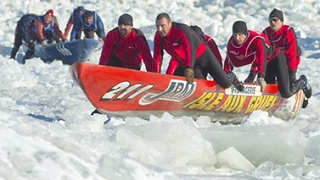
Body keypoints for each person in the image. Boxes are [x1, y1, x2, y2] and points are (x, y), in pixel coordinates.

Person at [224, 21, 311, 102]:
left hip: (276, 58)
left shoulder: (256, 40)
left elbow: (262, 58)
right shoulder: (232, 42)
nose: (237, 38)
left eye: (240, 35)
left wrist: (261, 77)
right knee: (269, 91)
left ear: (245, 34)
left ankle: (303, 82)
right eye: (235, 35)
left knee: (286, 92)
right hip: (266, 64)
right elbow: (229, 61)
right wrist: (225, 77)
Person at [153, 12, 242, 90]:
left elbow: (190, 49)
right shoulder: (158, 36)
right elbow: (157, 57)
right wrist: (155, 77)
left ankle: (231, 76)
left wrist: (189, 68)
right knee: (200, 84)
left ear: (170, 24)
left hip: (203, 57)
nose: (160, 29)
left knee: (225, 83)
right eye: (157, 26)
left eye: (162, 26)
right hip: (189, 63)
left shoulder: (181, 30)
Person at [92, 13, 154, 115]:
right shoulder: (113, 35)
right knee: (109, 84)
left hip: (133, 65)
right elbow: (105, 55)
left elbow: (147, 57)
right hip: (117, 62)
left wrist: (152, 76)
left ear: (131, 26)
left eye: (125, 25)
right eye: (120, 25)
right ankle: (102, 106)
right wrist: (100, 71)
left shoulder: (138, 37)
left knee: (128, 88)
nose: (122, 27)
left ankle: (128, 107)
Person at [262, 8, 312, 106]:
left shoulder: (288, 32)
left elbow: (292, 54)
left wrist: (292, 73)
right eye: (270, 20)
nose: (272, 22)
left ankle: (302, 83)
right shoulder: (266, 33)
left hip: (289, 63)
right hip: (274, 63)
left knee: (287, 90)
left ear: (282, 22)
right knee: (269, 85)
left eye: (275, 20)